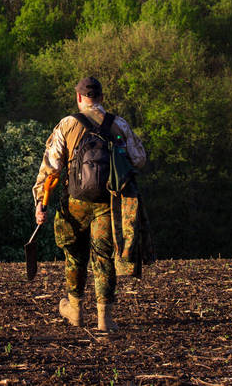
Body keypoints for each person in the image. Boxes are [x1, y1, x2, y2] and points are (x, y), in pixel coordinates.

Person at [32, 76, 146, 330]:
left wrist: (41, 202)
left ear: (79, 98)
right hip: (109, 203)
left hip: (75, 202)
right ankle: (104, 319)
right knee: (103, 257)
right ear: (102, 98)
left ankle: (75, 311)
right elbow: (139, 160)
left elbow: (50, 168)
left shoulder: (68, 124)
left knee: (74, 255)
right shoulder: (119, 124)